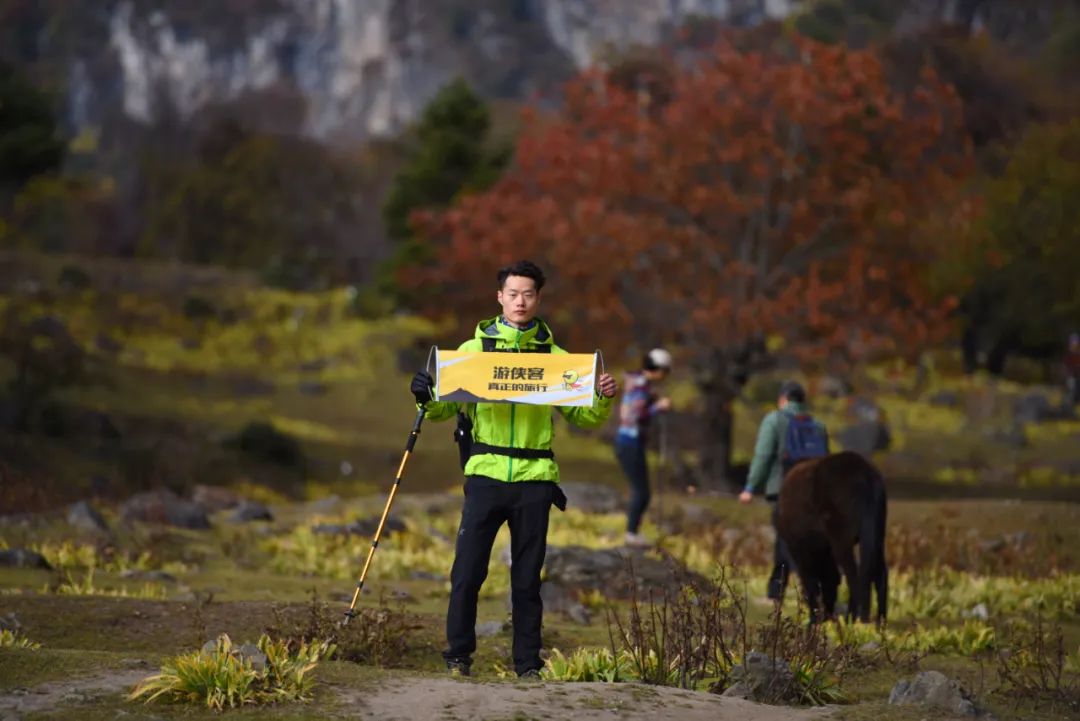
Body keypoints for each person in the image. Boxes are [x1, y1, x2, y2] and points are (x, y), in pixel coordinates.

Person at [409, 260, 617, 679]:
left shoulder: (558, 360)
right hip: (484, 473)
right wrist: (425, 395)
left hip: (535, 480)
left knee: (526, 581)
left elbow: (585, 420)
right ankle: (458, 657)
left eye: (528, 294)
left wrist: (602, 397)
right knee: (467, 573)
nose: (520, 301)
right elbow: (441, 410)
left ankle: (527, 665)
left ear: (538, 299)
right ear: (500, 297)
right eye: (513, 293)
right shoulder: (472, 352)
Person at [738, 380, 828, 602]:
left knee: (787, 540)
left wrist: (750, 487)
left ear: (782, 399)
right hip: (812, 493)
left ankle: (796, 591)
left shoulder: (774, 420)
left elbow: (763, 455)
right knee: (798, 538)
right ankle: (791, 590)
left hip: (783, 489)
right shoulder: (817, 425)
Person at [615, 348, 672, 548]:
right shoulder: (640, 386)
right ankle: (631, 533)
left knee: (641, 490)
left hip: (629, 442)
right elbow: (634, 415)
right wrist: (658, 407)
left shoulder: (639, 383)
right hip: (630, 442)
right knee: (642, 491)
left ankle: (633, 531)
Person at [1065, 333, 1080, 407]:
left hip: (1077, 375)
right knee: (1071, 388)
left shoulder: (1078, 353)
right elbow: (1068, 365)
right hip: (1071, 376)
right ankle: (1070, 404)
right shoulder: (1069, 354)